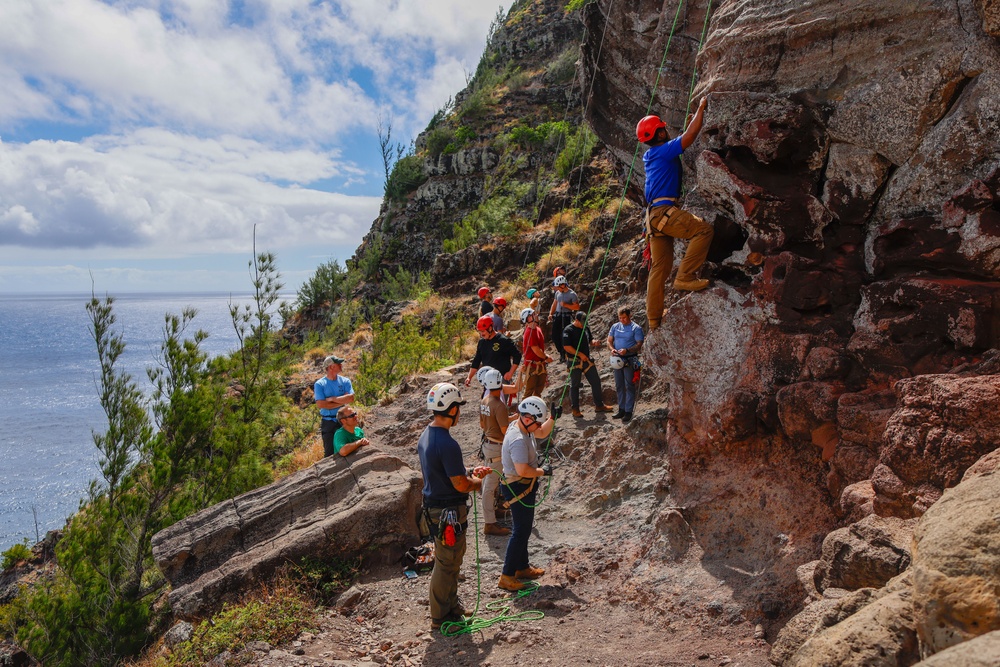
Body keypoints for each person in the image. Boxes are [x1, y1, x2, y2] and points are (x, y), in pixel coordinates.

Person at [417, 382, 492, 631]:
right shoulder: (448, 443)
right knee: (447, 563)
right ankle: (440, 616)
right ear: (451, 410)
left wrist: (468, 470)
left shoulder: (427, 434)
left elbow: (444, 472)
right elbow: (460, 485)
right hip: (447, 511)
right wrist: (477, 482)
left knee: (451, 560)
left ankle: (451, 606)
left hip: (436, 508)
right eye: (458, 407)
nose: (460, 412)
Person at [638, 97, 714, 330]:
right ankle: (686, 276)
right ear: (659, 134)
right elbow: (688, 138)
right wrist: (701, 109)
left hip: (653, 218)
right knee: (703, 230)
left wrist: (692, 121)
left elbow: (682, 137)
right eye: (663, 128)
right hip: (664, 212)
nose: (666, 130)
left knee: (659, 268)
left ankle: (653, 319)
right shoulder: (663, 151)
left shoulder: (653, 155)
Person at [498, 396, 554, 591]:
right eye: (536, 422)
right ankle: (507, 575)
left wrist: (552, 419)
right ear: (528, 418)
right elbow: (522, 470)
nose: (538, 426)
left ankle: (521, 567)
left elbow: (540, 431)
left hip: (522, 485)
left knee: (524, 528)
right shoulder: (518, 440)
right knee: (521, 530)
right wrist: (543, 471)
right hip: (518, 486)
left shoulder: (523, 426)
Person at [478, 368, 511, 537]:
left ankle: (493, 513)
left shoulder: (485, 401)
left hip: (487, 444)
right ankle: (489, 523)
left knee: (490, 483)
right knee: (490, 485)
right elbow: (505, 430)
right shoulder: (499, 405)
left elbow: (483, 425)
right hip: (497, 446)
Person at [562, 312, 614, 418]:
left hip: (586, 360)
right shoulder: (568, 330)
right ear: (576, 320)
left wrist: (594, 342)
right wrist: (580, 354)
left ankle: (599, 405)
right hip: (574, 361)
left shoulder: (585, 328)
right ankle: (575, 409)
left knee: (595, 381)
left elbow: (590, 339)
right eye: (581, 322)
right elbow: (567, 347)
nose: (583, 324)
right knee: (575, 385)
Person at [606, 306, 645, 423]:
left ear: (629, 316)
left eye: (624, 318)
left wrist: (627, 350)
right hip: (617, 359)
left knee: (629, 385)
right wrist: (612, 349)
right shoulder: (615, 326)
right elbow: (609, 340)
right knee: (619, 385)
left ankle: (628, 411)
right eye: (620, 318)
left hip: (629, 359)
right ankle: (621, 409)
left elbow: (639, 344)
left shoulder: (636, 328)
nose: (622, 320)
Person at [465, 315, 522, 389]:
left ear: (490, 328)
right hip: (488, 380)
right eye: (480, 332)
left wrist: (510, 373)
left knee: (499, 401)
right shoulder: (482, 343)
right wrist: (469, 377)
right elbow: (476, 361)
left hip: (502, 380)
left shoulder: (503, 340)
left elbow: (517, 355)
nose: (481, 334)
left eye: (483, 331)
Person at [314, 355, 355, 458]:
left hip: (344, 420)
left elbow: (350, 398)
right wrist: (342, 401)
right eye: (338, 364)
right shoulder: (320, 384)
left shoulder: (345, 381)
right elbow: (321, 404)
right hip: (328, 422)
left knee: (349, 449)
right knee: (329, 453)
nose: (341, 365)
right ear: (331, 367)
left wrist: (332, 399)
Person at [519, 307, 551, 399]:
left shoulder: (537, 329)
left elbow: (539, 348)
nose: (536, 315)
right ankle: (524, 412)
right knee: (529, 392)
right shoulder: (529, 332)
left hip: (539, 365)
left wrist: (545, 357)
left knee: (538, 391)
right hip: (532, 367)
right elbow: (536, 350)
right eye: (533, 314)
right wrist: (546, 357)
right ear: (528, 318)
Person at [548, 276, 579, 363]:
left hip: (566, 316)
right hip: (558, 316)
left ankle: (566, 353)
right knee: (555, 336)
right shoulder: (558, 293)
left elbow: (576, 307)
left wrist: (566, 305)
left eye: (558, 286)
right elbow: (555, 303)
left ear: (563, 285)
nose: (557, 288)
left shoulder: (572, 294)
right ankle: (561, 352)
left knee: (564, 335)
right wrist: (551, 313)